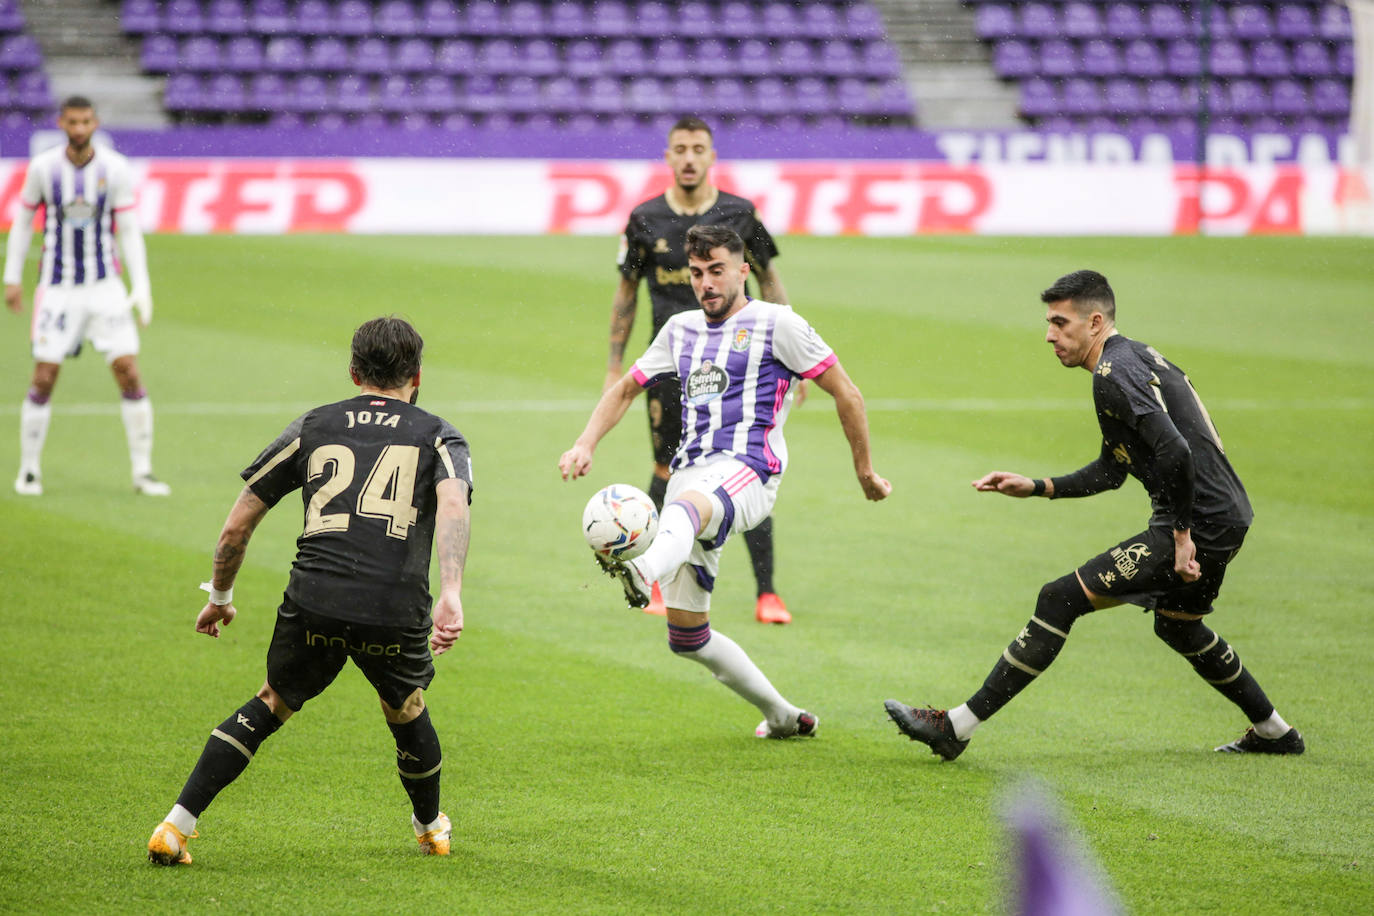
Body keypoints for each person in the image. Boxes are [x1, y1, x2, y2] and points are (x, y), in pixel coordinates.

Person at [885, 270, 1303, 759]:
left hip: (1198, 522)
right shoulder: (1132, 359)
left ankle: (955, 727)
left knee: (1059, 598)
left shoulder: (1112, 373)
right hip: (1226, 515)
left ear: (1095, 321)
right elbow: (1112, 469)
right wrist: (1038, 487)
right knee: (1177, 625)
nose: (1049, 335)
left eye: (1060, 323)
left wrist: (1183, 536)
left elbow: (1176, 451)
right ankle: (1275, 732)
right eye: (1048, 323)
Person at [147, 316, 473, 865]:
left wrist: (220, 597)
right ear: (417, 375)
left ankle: (175, 826)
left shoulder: (314, 425)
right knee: (405, 705)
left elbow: (237, 526)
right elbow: (455, 506)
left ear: (352, 372)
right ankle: (428, 827)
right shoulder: (438, 434)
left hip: (315, 596)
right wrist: (452, 591)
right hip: (391, 602)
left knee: (272, 701)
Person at [561, 225, 891, 739]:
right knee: (686, 637)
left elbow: (847, 393)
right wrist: (585, 442)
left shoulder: (778, 323)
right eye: (697, 273)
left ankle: (642, 568)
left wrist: (865, 470)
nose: (706, 283)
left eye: (717, 271)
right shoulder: (680, 329)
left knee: (688, 509)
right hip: (690, 476)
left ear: (743, 269)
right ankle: (783, 716)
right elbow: (627, 388)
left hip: (750, 472)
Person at [607, 116, 794, 623]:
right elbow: (626, 293)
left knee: (747, 466)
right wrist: (614, 366)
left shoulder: (741, 213)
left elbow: (771, 280)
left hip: (742, 366)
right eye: (680, 149)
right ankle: (661, 580)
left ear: (712, 156)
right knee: (667, 469)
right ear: (668, 157)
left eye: (698, 149)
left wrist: (792, 354)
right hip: (671, 368)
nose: (689, 157)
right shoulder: (643, 218)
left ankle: (767, 592)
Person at [3, 95, 168, 496]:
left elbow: (128, 229)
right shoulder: (44, 168)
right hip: (57, 288)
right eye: (72, 122)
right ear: (61, 123)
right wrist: (12, 276)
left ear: (95, 123)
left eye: (86, 121)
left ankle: (142, 472)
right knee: (45, 376)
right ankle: (28, 471)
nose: (79, 129)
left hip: (104, 287)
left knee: (128, 370)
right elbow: (23, 223)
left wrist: (140, 285)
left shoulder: (114, 169)